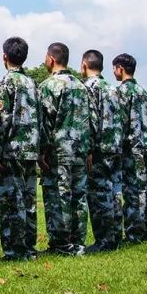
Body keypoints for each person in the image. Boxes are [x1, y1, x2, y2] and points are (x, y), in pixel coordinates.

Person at [38, 42, 92, 257]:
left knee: (58, 198)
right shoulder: (82, 86)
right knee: (78, 197)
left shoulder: (48, 86)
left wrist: (42, 151)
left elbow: (44, 122)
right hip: (80, 151)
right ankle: (78, 243)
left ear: (51, 59)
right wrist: (89, 150)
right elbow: (91, 120)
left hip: (58, 152)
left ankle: (61, 245)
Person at [0, 36, 40, 261]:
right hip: (31, 149)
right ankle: (29, 248)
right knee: (29, 201)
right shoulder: (33, 84)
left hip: (12, 150)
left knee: (11, 201)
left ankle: (14, 250)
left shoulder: (5, 84)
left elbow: (2, 120)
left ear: (4, 56)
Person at [82, 49, 121, 253]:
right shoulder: (111, 88)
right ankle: (115, 236)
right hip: (114, 146)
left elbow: (91, 119)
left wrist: (88, 148)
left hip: (99, 149)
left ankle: (104, 241)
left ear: (84, 65)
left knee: (98, 195)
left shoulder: (90, 87)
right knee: (113, 192)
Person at [112, 54, 147, 244]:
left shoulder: (121, 92)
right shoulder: (144, 91)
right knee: (143, 190)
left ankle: (133, 233)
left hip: (129, 149)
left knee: (130, 192)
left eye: (114, 69)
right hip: (145, 147)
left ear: (120, 68)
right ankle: (144, 229)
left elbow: (120, 123)